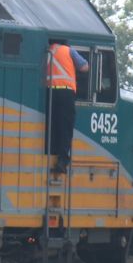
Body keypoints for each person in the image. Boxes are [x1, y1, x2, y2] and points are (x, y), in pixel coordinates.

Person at [46, 40, 79, 174]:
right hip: (66, 93)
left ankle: (52, 153)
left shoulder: (48, 51)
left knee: (54, 126)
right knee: (65, 128)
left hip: (50, 93)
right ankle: (63, 161)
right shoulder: (68, 50)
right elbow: (84, 66)